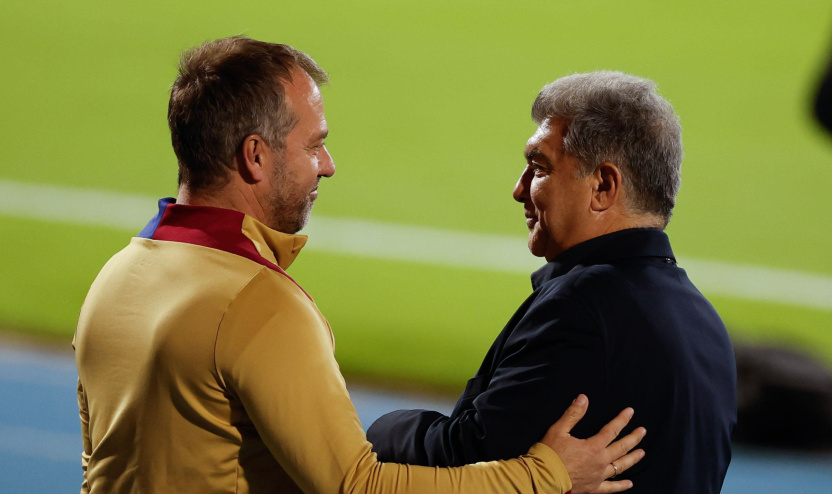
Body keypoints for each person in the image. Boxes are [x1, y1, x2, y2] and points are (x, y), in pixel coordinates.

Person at [73, 37, 646, 494]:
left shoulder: (115, 279)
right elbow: (358, 485)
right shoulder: (257, 305)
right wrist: (545, 475)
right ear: (255, 156)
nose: (328, 165)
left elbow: (98, 467)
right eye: (313, 144)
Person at [366, 71, 737, 494]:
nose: (519, 189)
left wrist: (380, 429)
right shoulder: (706, 323)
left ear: (602, 185)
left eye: (539, 167)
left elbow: (464, 458)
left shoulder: (583, 307)